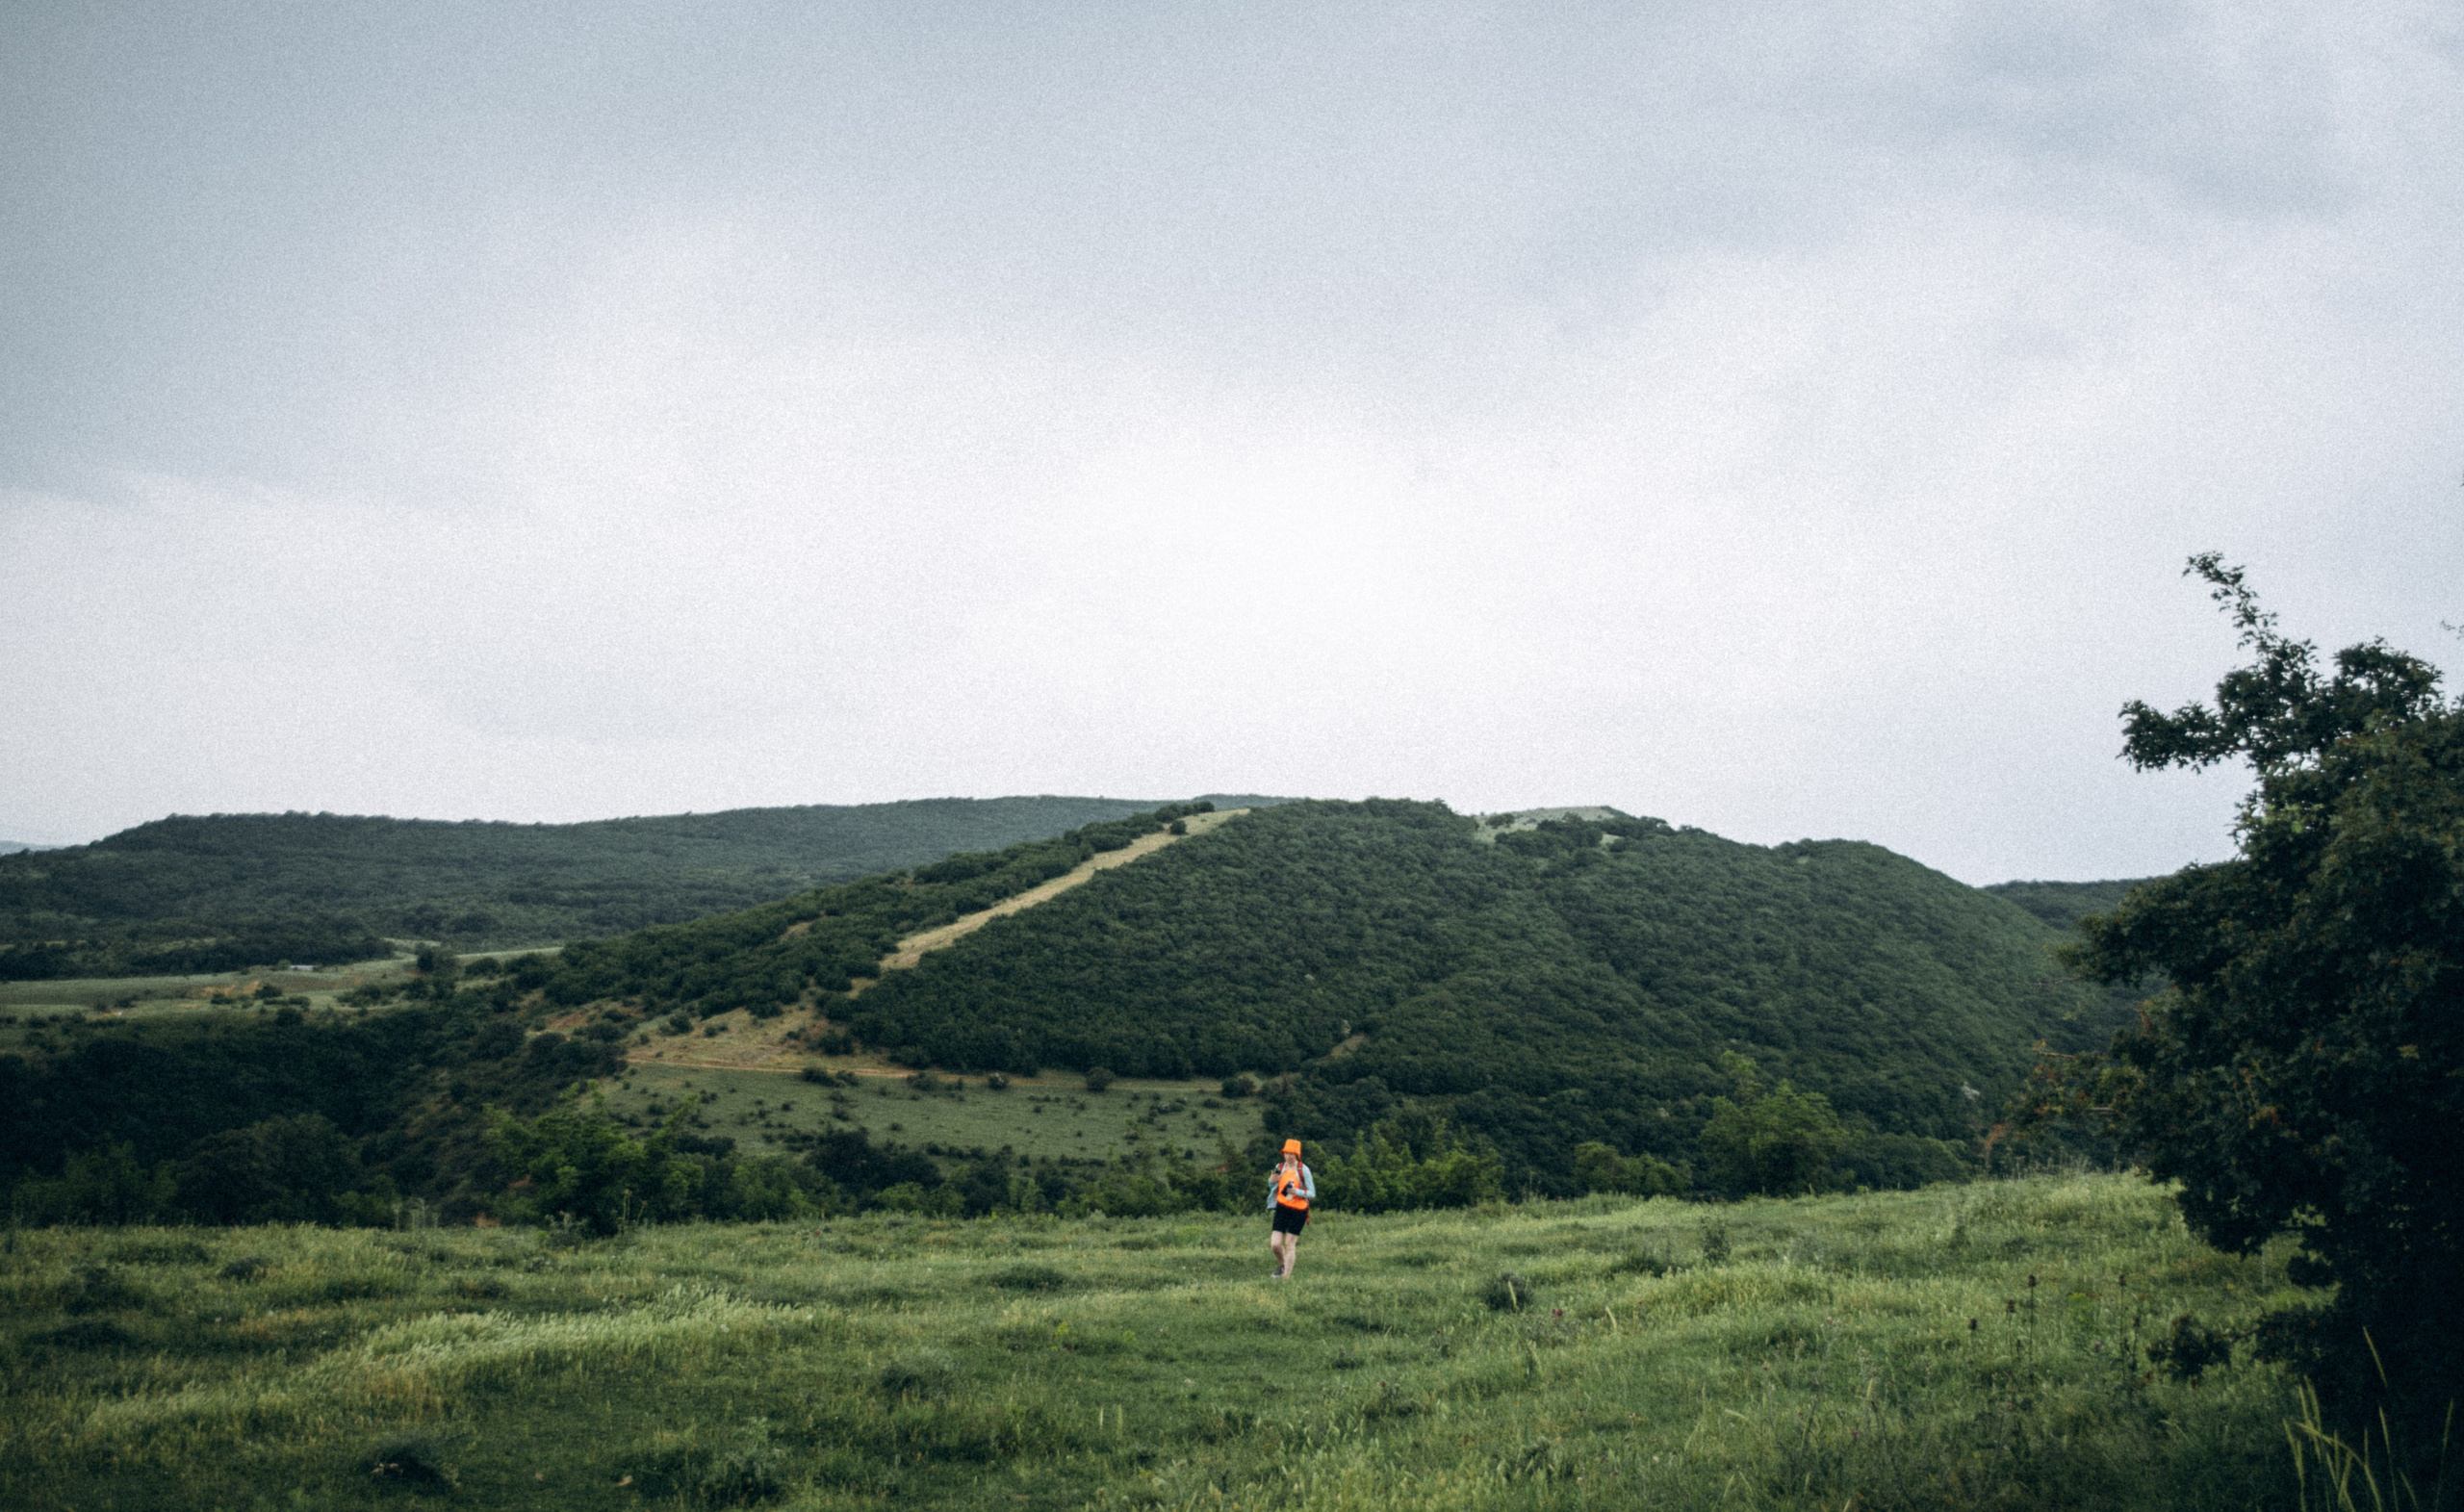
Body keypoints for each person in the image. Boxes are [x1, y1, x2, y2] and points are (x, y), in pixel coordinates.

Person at [1267, 1138, 1314, 1278]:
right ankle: (1282, 1264)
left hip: (1299, 1210)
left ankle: (1286, 1279)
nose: (1289, 1156)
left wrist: (1297, 1192)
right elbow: (1273, 1186)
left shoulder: (1303, 1170)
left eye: (1292, 1154)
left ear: (1297, 1155)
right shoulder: (1279, 1167)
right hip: (1282, 1208)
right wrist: (1271, 1181)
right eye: (1286, 1153)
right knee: (1275, 1244)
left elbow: (1312, 1193)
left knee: (1289, 1243)